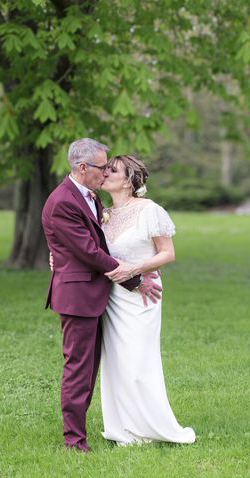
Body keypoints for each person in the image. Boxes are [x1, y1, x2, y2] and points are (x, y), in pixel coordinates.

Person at [41, 138, 162, 453]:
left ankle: (116, 426)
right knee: (79, 369)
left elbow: (95, 245)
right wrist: (135, 281)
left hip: (96, 296)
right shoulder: (63, 201)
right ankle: (74, 441)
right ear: (82, 168)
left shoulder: (89, 197)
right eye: (102, 166)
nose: (106, 171)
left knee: (94, 368)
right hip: (77, 298)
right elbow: (91, 253)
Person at [97, 154, 196, 445]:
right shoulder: (103, 213)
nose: (104, 173)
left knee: (138, 360)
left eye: (112, 170)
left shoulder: (149, 211)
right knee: (116, 361)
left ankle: (150, 426)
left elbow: (168, 254)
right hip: (112, 297)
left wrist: (136, 270)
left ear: (128, 181)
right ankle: (122, 428)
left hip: (143, 294)